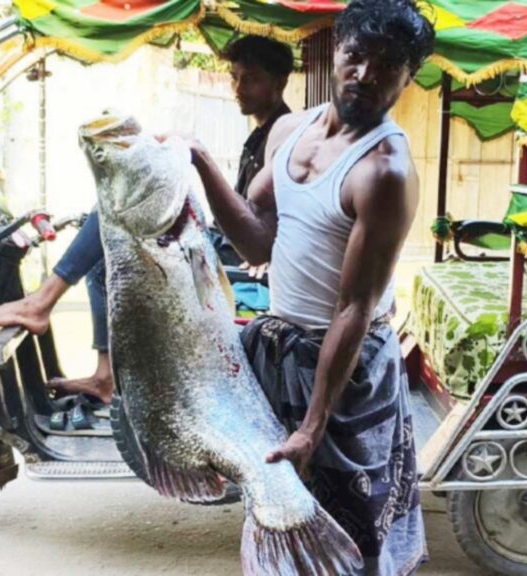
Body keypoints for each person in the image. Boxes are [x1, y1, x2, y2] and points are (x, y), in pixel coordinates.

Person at [176, 1, 435, 573]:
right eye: (358, 54)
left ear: (408, 77)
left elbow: (354, 308)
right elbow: (257, 244)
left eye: (388, 64)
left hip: (348, 372)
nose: (367, 74)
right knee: (284, 518)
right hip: (283, 351)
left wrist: (313, 426)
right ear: (338, 48)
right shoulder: (290, 133)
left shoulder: (384, 172)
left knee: (352, 529)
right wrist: (200, 162)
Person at [0, 35, 295, 403]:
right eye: (234, 77)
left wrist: (266, 255)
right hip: (225, 246)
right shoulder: (259, 134)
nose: (237, 88)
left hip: (237, 261)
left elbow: (279, 214)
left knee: (113, 213)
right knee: (104, 247)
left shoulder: (283, 132)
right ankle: (102, 372)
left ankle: (43, 304)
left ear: (279, 82)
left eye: (249, 79)